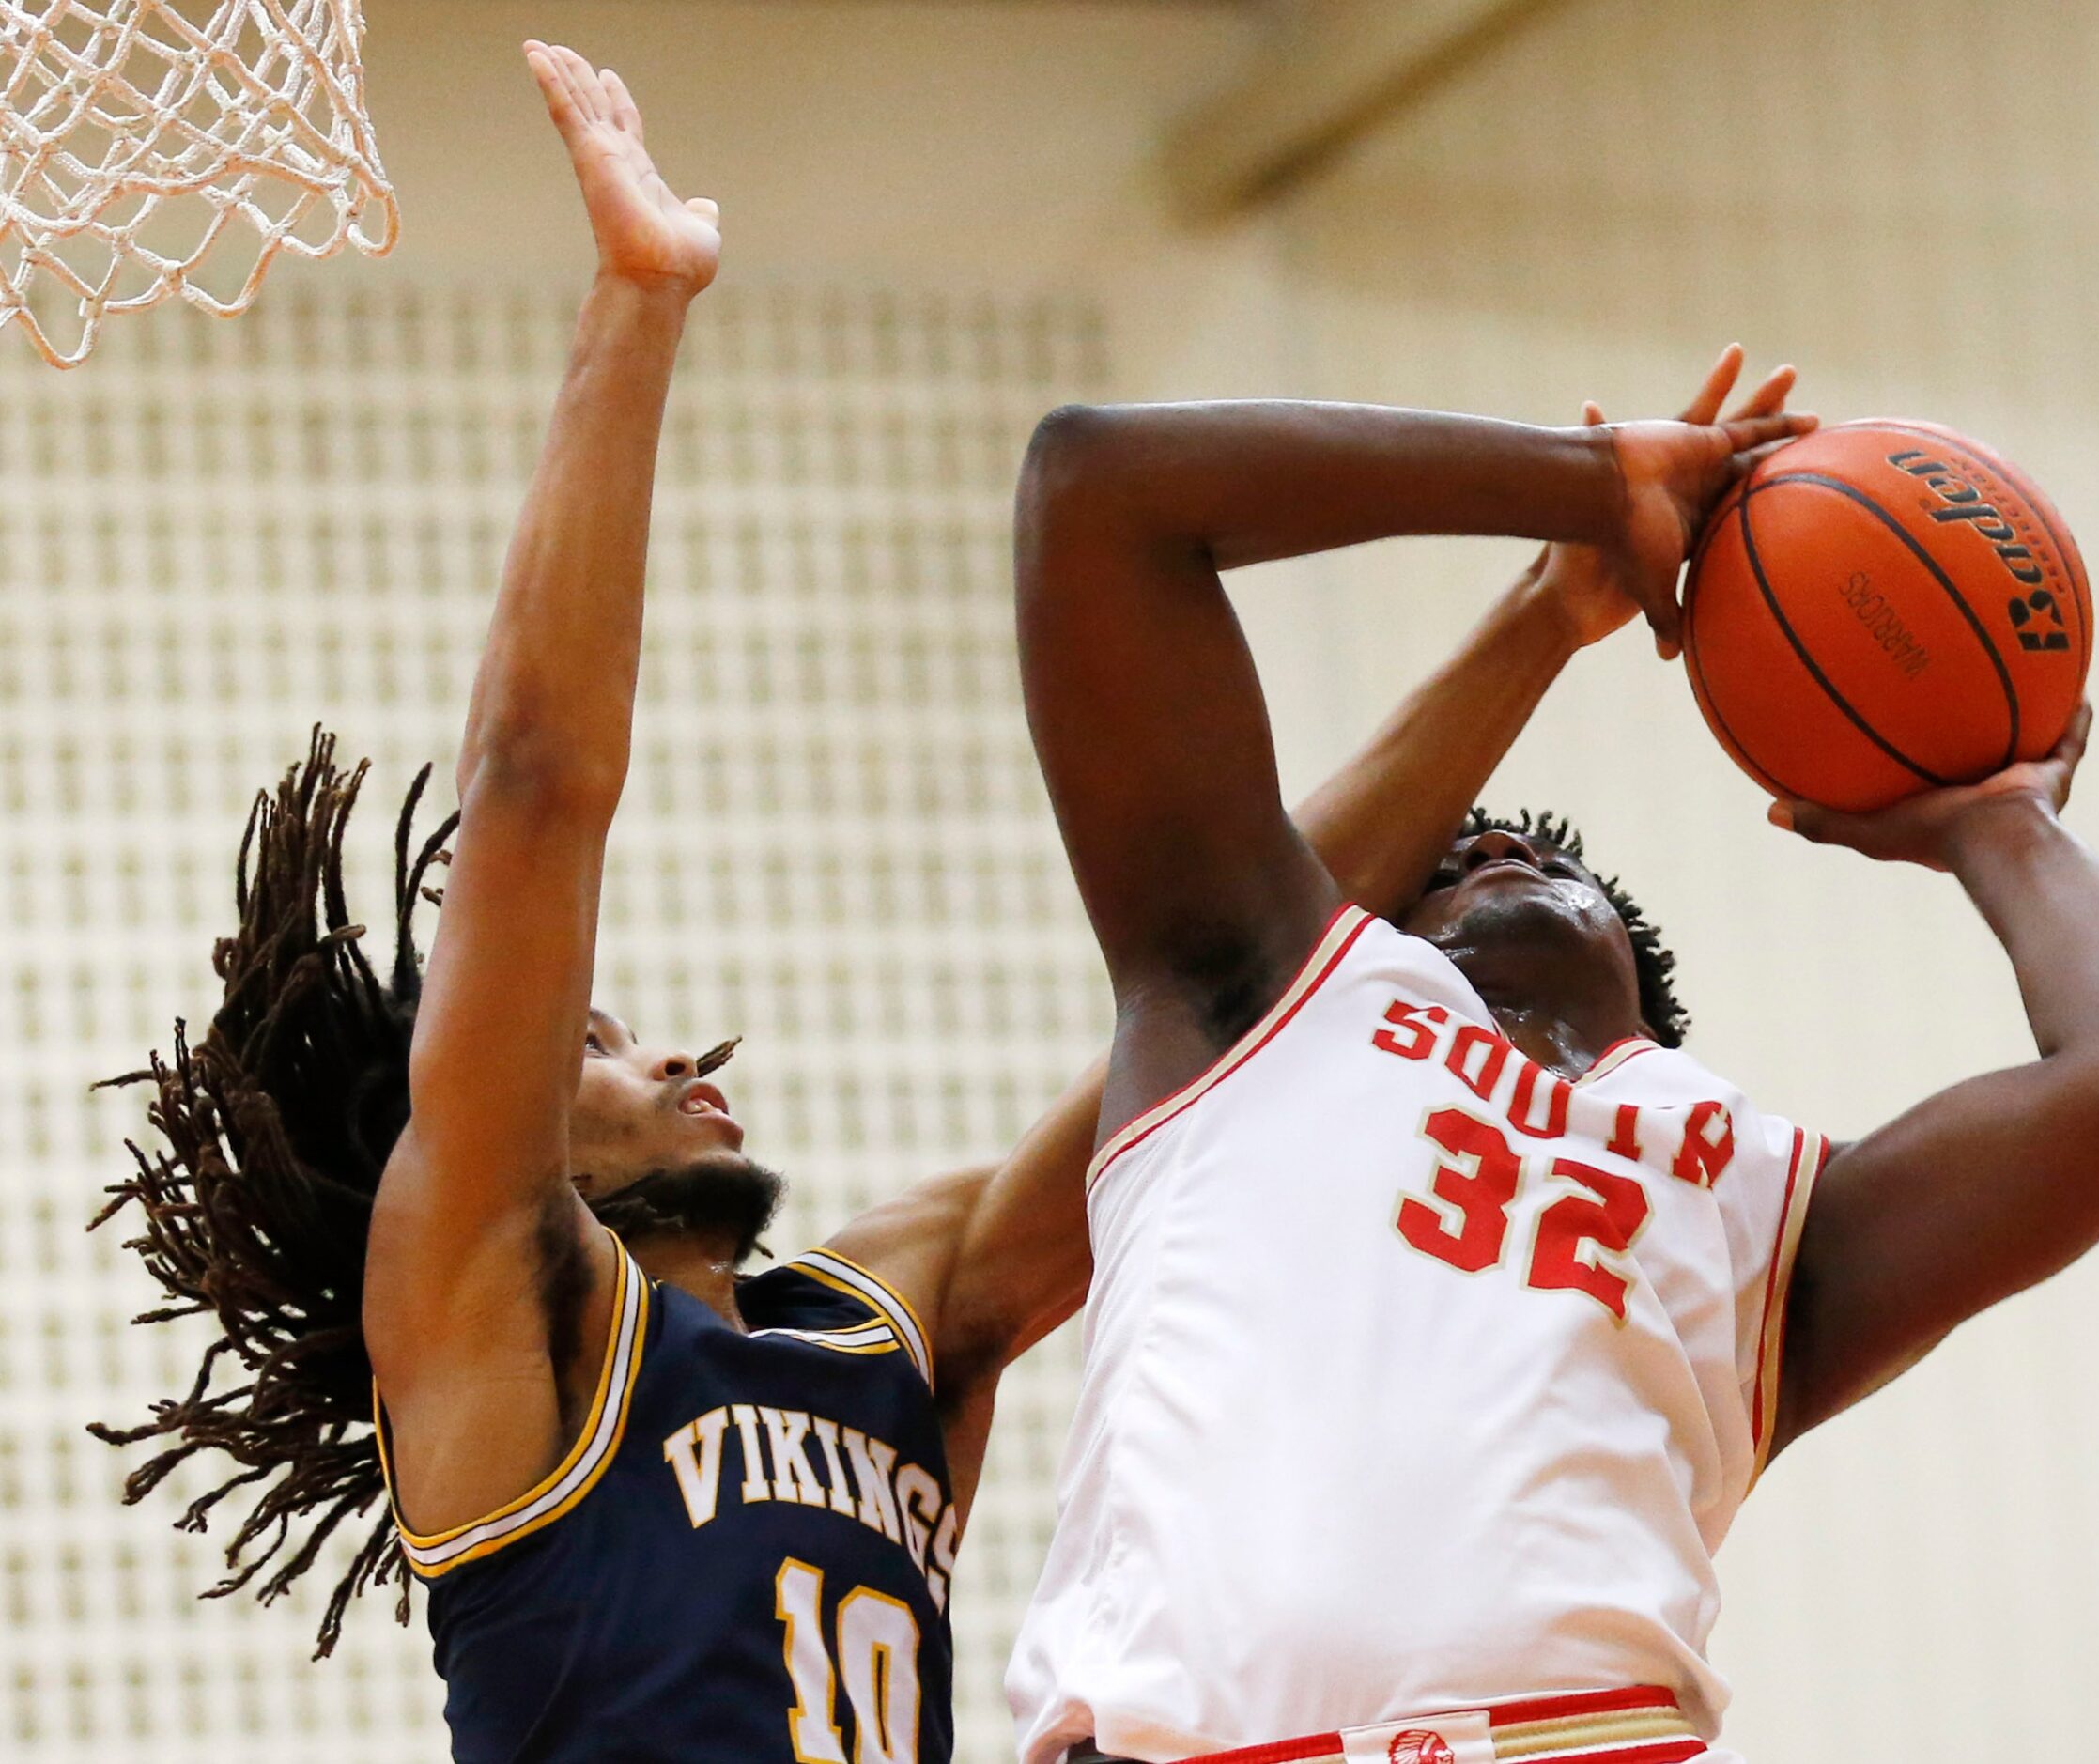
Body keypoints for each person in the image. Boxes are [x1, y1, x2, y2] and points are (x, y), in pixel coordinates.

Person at [85, 43, 1763, 1764]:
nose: (663, 1051)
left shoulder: (885, 1325)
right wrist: (640, 305)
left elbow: (1244, 985)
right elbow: (535, 785)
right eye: (591, 1045)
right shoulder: (496, 1333)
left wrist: (1539, 621)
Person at [1004, 387, 2099, 1764]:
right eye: (1440, 866)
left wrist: (1996, 817)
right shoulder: (1256, 1006)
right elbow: (1097, 484)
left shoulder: (1755, 1206)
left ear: (1629, 957)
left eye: (1533, 853)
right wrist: (1585, 487)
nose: (1489, 854)